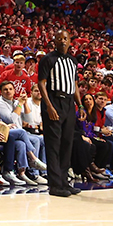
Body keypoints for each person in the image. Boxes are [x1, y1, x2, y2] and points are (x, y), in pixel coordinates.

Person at [37, 29, 82, 197]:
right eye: (59, 38)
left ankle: (64, 182)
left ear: (70, 41)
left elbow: (75, 84)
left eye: (66, 38)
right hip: (54, 101)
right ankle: (55, 185)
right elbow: (42, 84)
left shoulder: (72, 60)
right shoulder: (47, 59)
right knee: (53, 144)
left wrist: (80, 105)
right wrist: (49, 106)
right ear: (54, 40)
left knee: (66, 143)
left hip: (69, 103)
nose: (63, 41)